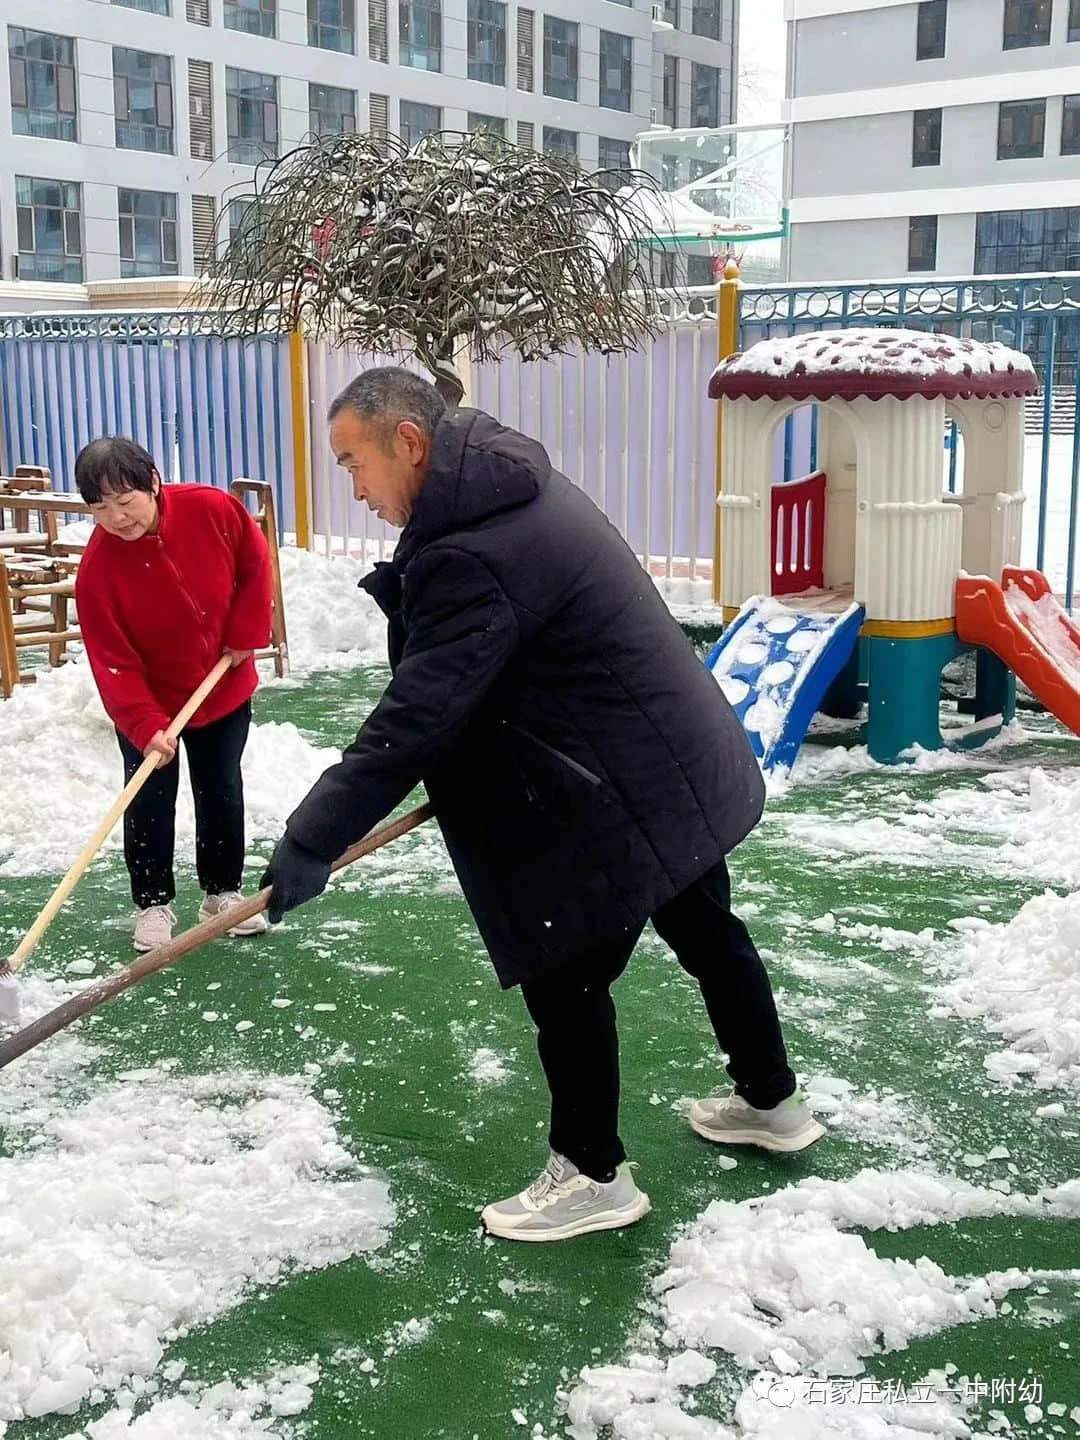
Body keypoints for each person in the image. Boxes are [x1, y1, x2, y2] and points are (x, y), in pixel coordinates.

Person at [262, 367, 823, 1243]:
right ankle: (771, 1102)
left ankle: (593, 1172)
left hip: (613, 784)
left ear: (409, 443)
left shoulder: (470, 551)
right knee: (711, 932)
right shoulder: (510, 485)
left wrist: (312, 840)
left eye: (353, 464)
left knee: (567, 978)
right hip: (666, 757)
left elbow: (416, 716)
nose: (356, 488)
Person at [74, 437, 273, 953]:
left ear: (155, 483)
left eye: (126, 501)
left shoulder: (211, 508)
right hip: (151, 702)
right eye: (100, 508)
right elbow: (113, 661)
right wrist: (144, 724)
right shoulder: (98, 570)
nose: (117, 518)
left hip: (222, 683)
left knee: (220, 789)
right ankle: (153, 902)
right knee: (148, 799)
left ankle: (222, 895)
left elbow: (254, 563)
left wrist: (246, 628)